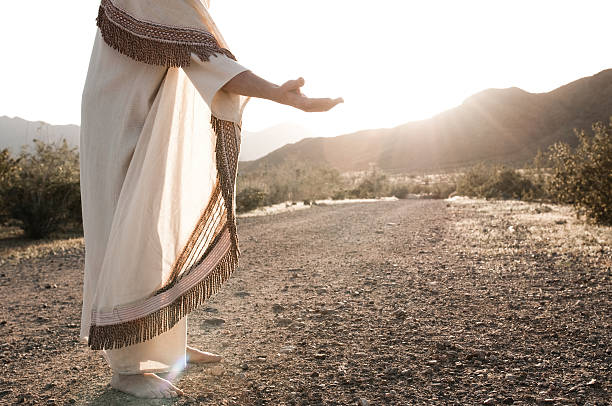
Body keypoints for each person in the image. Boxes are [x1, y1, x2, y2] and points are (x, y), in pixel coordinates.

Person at [79, 0, 342, 399]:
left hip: (144, 107)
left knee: (159, 229)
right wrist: (278, 94)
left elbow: (202, 56)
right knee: (126, 228)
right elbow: (205, 58)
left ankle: (166, 347)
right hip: (119, 114)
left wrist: (278, 93)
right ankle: (128, 370)